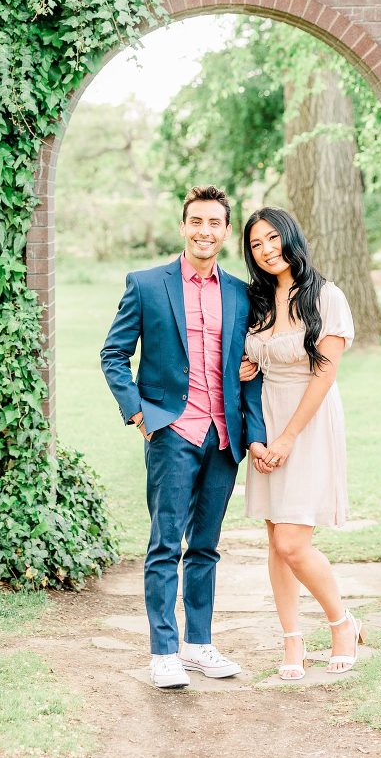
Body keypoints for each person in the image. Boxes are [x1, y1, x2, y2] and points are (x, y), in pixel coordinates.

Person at [100, 184, 267, 689]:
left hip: (223, 437)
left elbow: (250, 370)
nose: (205, 231)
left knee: (207, 547)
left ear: (224, 231)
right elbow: (114, 355)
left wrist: (253, 434)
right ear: (183, 226)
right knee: (165, 544)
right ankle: (164, 651)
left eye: (215, 223)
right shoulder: (148, 285)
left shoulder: (241, 293)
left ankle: (198, 644)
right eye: (197, 221)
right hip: (172, 432)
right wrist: (141, 415)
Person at [240, 206, 364, 680]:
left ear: (291, 238)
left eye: (273, 238)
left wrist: (289, 437)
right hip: (267, 419)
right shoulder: (257, 301)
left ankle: (341, 623)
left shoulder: (326, 296)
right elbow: (249, 363)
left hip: (308, 420)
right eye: (256, 244)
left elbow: (324, 372)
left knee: (294, 540)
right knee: (275, 539)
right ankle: (292, 641)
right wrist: (245, 374)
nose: (267, 250)